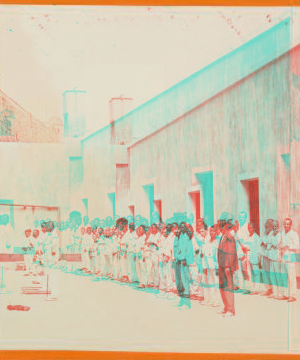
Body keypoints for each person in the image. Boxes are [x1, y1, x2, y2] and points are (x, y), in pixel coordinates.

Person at [217, 213, 240, 317]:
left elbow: (231, 253)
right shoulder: (223, 235)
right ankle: (226, 307)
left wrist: (227, 267)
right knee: (222, 286)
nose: (220, 224)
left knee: (228, 287)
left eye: (223, 222)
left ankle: (231, 310)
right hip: (221, 265)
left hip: (226, 266)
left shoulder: (230, 236)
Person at [173, 222, 195, 309]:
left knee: (185, 281)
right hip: (178, 260)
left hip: (184, 261)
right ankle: (181, 300)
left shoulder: (188, 235)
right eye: (180, 226)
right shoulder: (178, 235)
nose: (182, 228)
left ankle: (187, 303)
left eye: (183, 226)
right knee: (179, 282)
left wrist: (185, 258)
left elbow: (189, 248)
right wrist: (176, 257)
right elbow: (175, 246)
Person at [280, 218, 300, 302]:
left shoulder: (294, 234)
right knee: (285, 277)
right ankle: (286, 294)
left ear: (290, 225)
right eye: (284, 224)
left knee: (292, 278)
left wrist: (288, 246)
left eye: (287, 224)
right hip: (284, 258)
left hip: (291, 258)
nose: (286, 225)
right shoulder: (283, 234)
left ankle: (293, 296)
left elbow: (297, 246)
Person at [240, 222, 262, 295]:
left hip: (254, 257)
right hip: (247, 257)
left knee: (256, 273)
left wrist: (258, 261)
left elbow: (259, 250)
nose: (249, 230)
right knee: (249, 274)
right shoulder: (248, 237)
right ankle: (250, 288)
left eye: (251, 228)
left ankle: (257, 289)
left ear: (254, 229)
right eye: (248, 228)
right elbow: (244, 246)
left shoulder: (257, 237)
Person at [201, 225, 221, 306]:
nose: (212, 232)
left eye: (213, 231)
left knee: (216, 282)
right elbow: (205, 254)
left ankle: (217, 300)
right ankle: (209, 299)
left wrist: (217, 267)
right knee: (209, 282)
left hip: (215, 265)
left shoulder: (218, 242)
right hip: (208, 265)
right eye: (211, 231)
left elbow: (218, 256)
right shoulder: (208, 241)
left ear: (216, 232)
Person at [260, 219, 274, 297]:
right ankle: (268, 289)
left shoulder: (273, 234)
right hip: (265, 255)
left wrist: (264, 244)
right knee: (265, 273)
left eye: (269, 224)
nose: (267, 226)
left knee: (271, 273)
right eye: (266, 224)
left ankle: (273, 290)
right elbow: (261, 243)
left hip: (271, 256)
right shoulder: (265, 234)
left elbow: (266, 244)